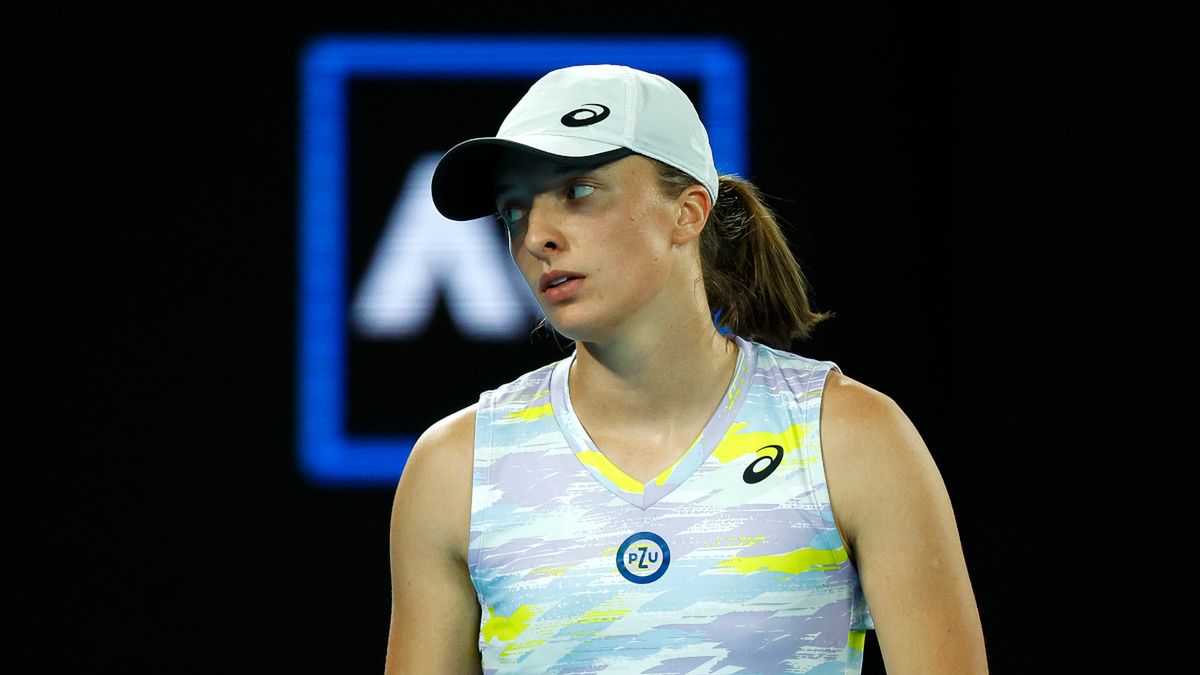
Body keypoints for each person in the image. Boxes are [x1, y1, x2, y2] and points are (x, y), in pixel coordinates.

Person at [385, 64, 987, 674]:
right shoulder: (455, 467)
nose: (536, 234)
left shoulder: (851, 438)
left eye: (578, 191)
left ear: (688, 212)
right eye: (513, 211)